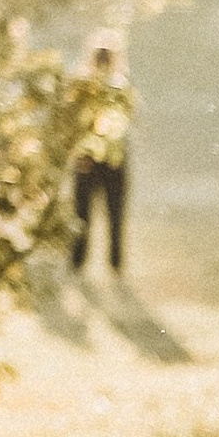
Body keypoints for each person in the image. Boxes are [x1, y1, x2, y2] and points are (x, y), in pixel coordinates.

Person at [70, 32, 133, 276]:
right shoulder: (83, 86)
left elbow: (125, 119)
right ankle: (78, 263)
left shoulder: (120, 86)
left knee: (113, 214)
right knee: (82, 214)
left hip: (112, 159)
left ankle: (115, 264)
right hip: (88, 159)